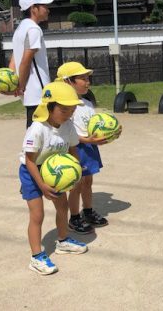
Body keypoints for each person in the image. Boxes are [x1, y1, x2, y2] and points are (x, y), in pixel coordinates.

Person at [20, 81, 88, 275]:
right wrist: (41, 185)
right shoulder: (37, 128)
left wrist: (76, 172)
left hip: (56, 169)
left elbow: (73, 149)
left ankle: (63, 241)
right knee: (37, 215)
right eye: (64, 110)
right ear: (48, 106)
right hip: (32, 171)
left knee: (63, 207)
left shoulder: (68, 126)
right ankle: (36, 257)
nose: (69, 114)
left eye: (72, 109)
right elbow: (30, 160)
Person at [56, 62, 113, 234]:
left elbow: (94, 126)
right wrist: (87, 140)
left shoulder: (87, 103)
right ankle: (74, 218)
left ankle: (87, 211)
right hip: (75, 148)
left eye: (88, 78)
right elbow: (66, 133)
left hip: (89, 147)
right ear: (67, 82)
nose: (87, 82)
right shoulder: (64, 106)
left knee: (88, 181)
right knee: (76, 185)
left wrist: (111, 131)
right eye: (83, 79)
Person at [9, 0, 54, 128]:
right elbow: (26, 59)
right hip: (38, 92)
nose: (48, 9)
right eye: (44, 6)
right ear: (34, 8)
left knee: (34, 131)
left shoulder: (20, 29)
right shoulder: (33, 29)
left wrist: (13, 82)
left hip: (30, 92)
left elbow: (14, 58)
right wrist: (21, 85)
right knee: (41, 133)